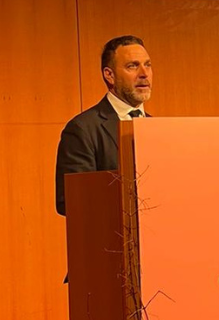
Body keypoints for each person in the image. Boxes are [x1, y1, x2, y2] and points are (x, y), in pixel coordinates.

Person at [55, 35, 153, 215]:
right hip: (111, 238)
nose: (144, 73)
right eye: (132, 66)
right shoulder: (82, 129)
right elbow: (69, 201)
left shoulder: (157, 128)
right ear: (109, 75)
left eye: (147, 65)